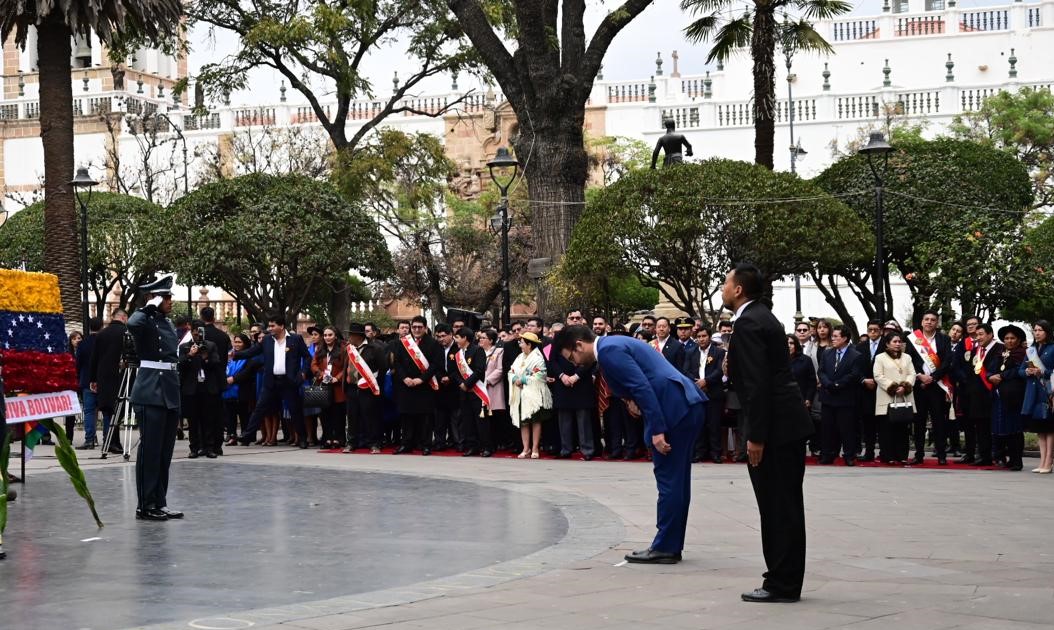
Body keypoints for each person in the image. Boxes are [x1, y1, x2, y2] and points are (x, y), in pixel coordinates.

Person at [554, 324, 704, 564]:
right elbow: (638, 380)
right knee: (677, 480)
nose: (575, 363)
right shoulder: (614, 345)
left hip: (674, 409)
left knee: (670, 480)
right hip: (682, 404)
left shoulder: (610, 350)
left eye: (572, 356)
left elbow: (641, 385)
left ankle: (666, 546)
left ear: (579, 345)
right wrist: (629, 400)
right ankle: (670, 543)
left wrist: (657, 429)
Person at [721, 263, 813, 603]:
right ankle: (784, 578)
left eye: (726, 283)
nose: (723, 288)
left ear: (739, 290)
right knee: (785, 504)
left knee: (777, 506)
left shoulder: (748, 322)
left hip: (775, 428)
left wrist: (755, 436)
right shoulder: (762, 316)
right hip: (785, 423)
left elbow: (759, 385)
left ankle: (781, 582)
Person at [127, 275, 183, 521]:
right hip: (151, 390)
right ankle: (145, 504)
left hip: (169, 389)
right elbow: (133, 323)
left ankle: (159, 501)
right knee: (150, 451)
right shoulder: (145, 320)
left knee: (164, 452)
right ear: (155, 298)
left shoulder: (167, 323)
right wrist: (148, 305)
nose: (170, 301)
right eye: (166, 297)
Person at [234, 312, 313, 449]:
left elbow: (307, 357)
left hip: (289, 381)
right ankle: (247, 435)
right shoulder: (267, 341)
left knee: (295, 410)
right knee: (259, 408)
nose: (269, 328)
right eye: (269, 326)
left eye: (272, 326)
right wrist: (234, 355)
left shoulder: (295, 339)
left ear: (281, 326)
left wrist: (303, 373)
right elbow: (252, 352)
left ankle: (302, 438)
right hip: (271, 381)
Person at [904, 311, 952, 465]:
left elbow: (946, 361)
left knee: (939, 421)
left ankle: (941, 454)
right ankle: (919, 454)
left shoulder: (944, 339)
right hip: (919, 385)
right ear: (922, 322)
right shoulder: (913, 339)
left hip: (937, 385)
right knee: (918, 421)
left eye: (933, 320)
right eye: (926, 319)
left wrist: (934, 377)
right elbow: (909, 360)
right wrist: (920, 375)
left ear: (937, 323)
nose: (929, 322)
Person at [392, 315, 443, 455]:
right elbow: (397, 363)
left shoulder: (433, 344)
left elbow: (435, 365)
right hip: (406, 385)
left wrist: (421, 379)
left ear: (425, 328)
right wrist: (404, 378)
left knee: (425, 417)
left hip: (424, 386)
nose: (416, 329)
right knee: (406, 416)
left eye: (420, 327)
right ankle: (406, 443)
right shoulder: (402, 343)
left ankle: (426, 444)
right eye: (414, 327)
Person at [550, 310, 597, 460]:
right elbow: (552, 360)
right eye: (572, 318)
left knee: (583, 419)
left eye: (578, 317)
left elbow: (591, 359)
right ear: (567, 320)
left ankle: (587, 450)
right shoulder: (559, 336)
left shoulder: (587, 335)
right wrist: (562, 376)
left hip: (581, 382)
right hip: (563, 383)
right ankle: (566, 449)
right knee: (564, 419)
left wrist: (577, 376)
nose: (575, 320)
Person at [817, 325, 862, 466]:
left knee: (846, 428)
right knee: (827, 428)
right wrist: (828, 384)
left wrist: (838, 385)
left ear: (845, 338)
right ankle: (827, 454)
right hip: (828, 396)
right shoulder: (827, 353)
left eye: (836, 336)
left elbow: (854, 375)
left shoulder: (855, 355)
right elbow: (821, 371)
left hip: (845, 398)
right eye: (833, 336)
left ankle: (849, 455)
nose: (833, 338)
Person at [961, 323, 1001, 466]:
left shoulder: (999, 349)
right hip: (977, 395)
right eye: (977, 335)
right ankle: (984, 455)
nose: (978, 338)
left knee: (995, 426)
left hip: (992, 393)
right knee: (981, 426)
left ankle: (998, 455)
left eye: (981, 334)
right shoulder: (976, 350)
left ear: (990, 334)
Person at [89, 310, 129, 454]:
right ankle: (114, 441)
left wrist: (93, 379)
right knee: (120, 408)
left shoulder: (101, 334)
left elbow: (94, 358)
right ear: (124, 317)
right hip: (122, 375)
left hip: (104, 376)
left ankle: (110, 440)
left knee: (108, 410)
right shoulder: (127, 333)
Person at [873, 332, 916, 464]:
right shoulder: (880, 357)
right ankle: (888, 456)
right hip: (887, 396)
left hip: (904, 397)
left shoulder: (907, 357)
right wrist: (893, 387)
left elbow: (912, 373)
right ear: (887, 343)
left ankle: (902, 455)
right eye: (894, 341)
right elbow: (878, 376)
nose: (898, 344)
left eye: (899, 342)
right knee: (886, 428)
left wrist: (905, 386)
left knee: (902, 428)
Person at [345, 322, 386, 453]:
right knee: (352, 416)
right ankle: (351, 442)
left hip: (368, 389)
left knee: (370, 416)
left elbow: (383, 368)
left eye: (351, 334)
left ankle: (374, 443)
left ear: (358, 336)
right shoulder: (349, 348)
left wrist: (374, 384)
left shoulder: (374, 348)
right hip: (352, 387)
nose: (349, 337)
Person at [508, 332, 551, 459]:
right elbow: (511, 371)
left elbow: (540, 375)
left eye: (521, 342)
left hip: (533, 396)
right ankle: (525, 448)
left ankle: (535, 448)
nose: (520, 344)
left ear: (529, 344)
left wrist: (523, 380)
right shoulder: (519, 357)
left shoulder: (538, 357)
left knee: (535, 421)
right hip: (520, 394)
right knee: (524, 422)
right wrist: (515, 378)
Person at [686, 326, 725, 463]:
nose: (701, 339)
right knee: (699, 424)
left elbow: (720, 370)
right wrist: (697, 383)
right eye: (699, 336)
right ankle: (699, 452)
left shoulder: (719, 352)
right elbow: (686, 371)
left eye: (704, 336)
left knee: (714, 424)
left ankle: (716, 453)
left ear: (709, 337)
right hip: (696, 393)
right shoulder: (690, 352)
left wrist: (706, 381)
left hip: (713, 392)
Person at [990, 325, 1026, 471]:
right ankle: (1003, 456)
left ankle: (1017, 460)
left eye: (1012, 338)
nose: (1009, 341)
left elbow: (1019, 370)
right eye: (1006, 338)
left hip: (1014, 396)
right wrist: (990, 376)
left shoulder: (1022, 354)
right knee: (1001, 427)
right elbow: (991, 368)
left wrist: (1002, 376)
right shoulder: (1001, 353)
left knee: (1015, 428)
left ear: (1018, 340)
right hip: (999, 396)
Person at [452, 328, 492, 457]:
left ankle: (486, 446)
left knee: (481, 420)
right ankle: (471, 446)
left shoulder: (477, 350)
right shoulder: (458, 354)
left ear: (464, 338)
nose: (455, 340)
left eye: (457, 337)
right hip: (464, 392)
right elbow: (455, 372)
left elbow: (480, 370)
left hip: (476, 391)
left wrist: (467, 383)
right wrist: (461, 384)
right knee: (467, 420)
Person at [1022, 321, 1054, 473]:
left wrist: (1042, 372)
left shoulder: (1052, 348)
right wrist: (1027, 372)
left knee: (1049, 429)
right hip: (1033, 392)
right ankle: (1042, 462)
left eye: (1040, 330)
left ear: (1047, 332)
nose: (1037, 333)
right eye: (1035, 330)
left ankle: (1048, 462)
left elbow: (1051, 372)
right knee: (1039, 429)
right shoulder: (1031, 350)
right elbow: (1020, 370)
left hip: (1047, 392)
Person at [310, 326, 347, 450]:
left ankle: (338, 438)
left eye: (330, 335)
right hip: (323, 385)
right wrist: (320, 374)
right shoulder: (320, 349)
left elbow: (346, 367)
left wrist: (337, 378)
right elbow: (313, 364)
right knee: (324, 414)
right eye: (325, 335)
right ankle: (326, 438)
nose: (327, 337)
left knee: (338, 414)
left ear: (335, 336)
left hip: (337, 386)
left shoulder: (343, 349)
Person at [855, 320, 884, 462]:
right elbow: (854, 368)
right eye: (870, 329)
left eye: (875, 330)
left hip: (883, 389)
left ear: (881, 331)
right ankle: (869, 451)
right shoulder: (860, 347)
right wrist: (863, 380)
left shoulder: (887, 345)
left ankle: (885, 452)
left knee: (883, 422)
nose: (872, 332)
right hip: (865, 389)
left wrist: (879, 381)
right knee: (867, 423)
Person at [223, 333, 258, 447]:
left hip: (243, 389)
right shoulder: (231, 355)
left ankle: (245, 436)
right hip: (229, 390)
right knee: (230, 414)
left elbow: (247, 372)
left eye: (239, 342)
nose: (237, 344)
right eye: (235, 342)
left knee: (244, 415)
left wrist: (234, 379)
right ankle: (232, 436)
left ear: (245, 343)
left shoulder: (249, 356)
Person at [480, 329, 510, 453]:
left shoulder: (499, 351)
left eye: (483, 338)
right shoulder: (478, 352)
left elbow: (500, 369)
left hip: (493, 387)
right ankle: (487, 443)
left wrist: (487, 380)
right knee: (485, 418)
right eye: (480, 337)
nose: (480, 340)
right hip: (480, 388)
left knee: (497, 417)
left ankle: (500, 442)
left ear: (491, 340)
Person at [72, 323, 98, 448]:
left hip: (87, 380)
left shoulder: (83, 344)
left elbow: (78, 364)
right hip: (103, 380)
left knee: (88, 411)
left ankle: (89, 440)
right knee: (106, 411)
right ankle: (107, 439)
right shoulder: (104, 342)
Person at [786, 334, 817, 430]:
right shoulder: (777, 361)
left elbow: (812, 381)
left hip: (801, 401)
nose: (788, 345)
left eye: (791, 343)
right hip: (783, 402)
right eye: (786, 343)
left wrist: (808, 398)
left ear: (796, 345)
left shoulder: (806, 360)